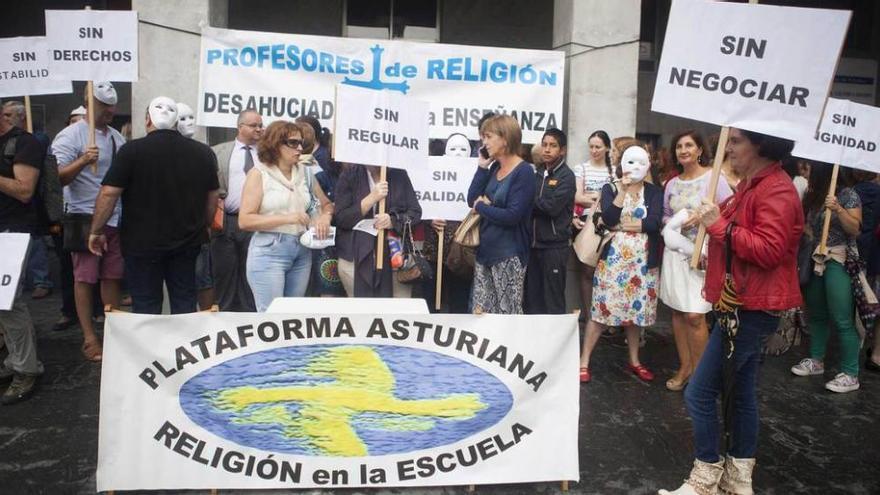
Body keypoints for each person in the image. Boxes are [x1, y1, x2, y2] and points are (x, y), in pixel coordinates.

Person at [660, 128, 802, 495]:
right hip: (740, 301)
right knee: (740, 395)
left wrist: (717, 224)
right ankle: (738, 480)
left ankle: (705, 478)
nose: (729, 148)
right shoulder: (755, 185)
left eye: (736, 141)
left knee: (700, 394)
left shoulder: (778, 190)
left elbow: (768, 250)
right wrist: (709, 219)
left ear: (761, 145)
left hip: (750, 307)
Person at [90, 97, 219, 315]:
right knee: (184, 304)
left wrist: (96, 229)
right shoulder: (203, 152)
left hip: (141, 244)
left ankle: (149, 349)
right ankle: (181, 349)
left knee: (146, 306)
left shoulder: (131, 151)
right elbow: (212, 196)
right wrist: (205, 225)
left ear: (147, 120)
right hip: (187, 242)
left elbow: (109, 192)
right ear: (176, 120)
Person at [52, 82, 125, 362]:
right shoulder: (69, 136)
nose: (111, 110)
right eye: (105, 105)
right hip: (82, 216)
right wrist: (83, 160)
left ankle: (114, 332)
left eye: (112, 105)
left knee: (113, 276)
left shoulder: (117, 138)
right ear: (89, 103)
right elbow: (57, 178)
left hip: (115, 217)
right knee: (84, 278)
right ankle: (89, 337)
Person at [579, 145, 662, 383]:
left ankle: (635, 360)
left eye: (641, 162)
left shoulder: (655, 192)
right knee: (601, 312)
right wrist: (622, 192)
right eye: (631, 161)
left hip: (643, 264)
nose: (635, 167)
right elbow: (608, 219)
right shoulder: (610, 188)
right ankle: (583, 361)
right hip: (613, 262)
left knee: (635, 315)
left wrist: (624, 226)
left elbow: (654, 223)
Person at [659, 130, 733, 391]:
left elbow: (729, 212)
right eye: (679, 146)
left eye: (689, 145)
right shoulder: (671, 183)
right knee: (678, 312)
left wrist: (701, 216)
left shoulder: (714, 179)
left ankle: (701, 378)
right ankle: (685, 367)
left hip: (703, 255)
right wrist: (679, 219)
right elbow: (665, 216)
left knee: (695, 315)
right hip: (676, 255)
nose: (683, 150)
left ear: (700, 150)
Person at [239, 121, 333, 312]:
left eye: (301, 143)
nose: (299, 148)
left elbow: (327, 204)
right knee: (271, 316)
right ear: (275, 144)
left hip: (302, 249)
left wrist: (325, 218)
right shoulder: (259, 174)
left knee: (292, 316)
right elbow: (245, 220)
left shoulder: (306, 172)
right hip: (270, 249)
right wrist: (287, 218)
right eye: (293, 143)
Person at [790, 163, 862, 393]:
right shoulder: (813, 196)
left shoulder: (848, 195)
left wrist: (839, 209)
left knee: (841, 318)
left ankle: (851, 373)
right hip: (815, 258)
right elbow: (806, 225)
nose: (805, 172)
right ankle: (816, 360)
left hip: (837, 260)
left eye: (810, 168)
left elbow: (856, 229)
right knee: (817, 314)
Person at [467, 114, 536, 314]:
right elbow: (472, 198)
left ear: (505, 139)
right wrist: (482, 167)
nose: (484, 142)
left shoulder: (524, 172)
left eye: (488, 136)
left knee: (508, 313)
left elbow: (512, 215)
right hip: (485, 252)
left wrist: (482, 207)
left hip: (509, 254)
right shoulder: (495, 166)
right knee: (481, 313)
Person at [0, 101, 45, 404]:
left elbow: (24, 190)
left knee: (8, 303)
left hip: (12, 232)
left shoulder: (23, 142)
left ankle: (26, 368)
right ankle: (15, 360)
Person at [334, 163, 421, 297]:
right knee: (361, 311)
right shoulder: (350, 175)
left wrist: (392, 221)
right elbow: (341, 218)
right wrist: (371, 199)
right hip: (355, 257)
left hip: (395, 257)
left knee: (397, 309)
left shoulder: (399, 175)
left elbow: (415, 212)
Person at [211, 109, 262, 311]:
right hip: (227, 221)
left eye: (260, 125)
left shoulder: (268, 154)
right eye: (253, 125)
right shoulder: (218, 151)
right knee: (224, 274)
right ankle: (225, 318)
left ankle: (250, 318)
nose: (259, 129)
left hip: (257, 222)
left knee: (251, 275)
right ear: (240, 127)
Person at [525, 128, 575, 314]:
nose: (547, 149)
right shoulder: (538, 173)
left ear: (562, 150)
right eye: (544, 145)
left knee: (552, 300)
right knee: (532, 299)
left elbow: (552, 208)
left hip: (554, 247)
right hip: (533, 245)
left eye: (552, 146)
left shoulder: (566, 176)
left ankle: (556, 342)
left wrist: (528, 199)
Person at [573, 130, 616, 322]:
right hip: (586, 224)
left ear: (607, 148)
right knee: (586, 270)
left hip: (610, 225)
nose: (594, 150)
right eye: (591, 146)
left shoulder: (614, 170)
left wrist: (592, 197)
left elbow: (616, 200)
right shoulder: (581, 168)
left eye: (598, 146)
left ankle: (605, 315)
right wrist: (601, 198)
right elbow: (577, 196)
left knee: (607, 271)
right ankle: (590, 316)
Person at [177, 102, 215, 311]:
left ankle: (205, 324)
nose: (189, 123)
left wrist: (207, 222)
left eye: (191, 117)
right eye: (183, 119)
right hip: (176, 226)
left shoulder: (204, 153)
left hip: (197, 226)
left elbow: (213, 190)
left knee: (203, 278)